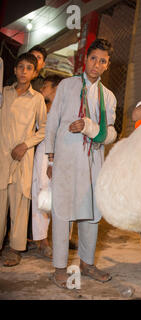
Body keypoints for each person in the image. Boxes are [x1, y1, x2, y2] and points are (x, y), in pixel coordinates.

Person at [44, 39, 117, 288]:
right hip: (65, 159)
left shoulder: (108, 97)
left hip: (93, 161)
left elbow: (110, 133)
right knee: (63, 212)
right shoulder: (67, 85)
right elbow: (52, 121)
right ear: (85, 59)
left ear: (108, 65)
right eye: (93, 58)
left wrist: (89, 126)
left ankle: (87, 263)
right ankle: (60, 267)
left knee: (91, 214)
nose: (97, 64)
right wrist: (50, 157)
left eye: (103, 61)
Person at [0, 53, 47, 266]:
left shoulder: (37, 99)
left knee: (19, 204)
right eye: (20, 67)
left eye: (29, 68)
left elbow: (44, 128)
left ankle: (14, 248)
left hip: (22, 158)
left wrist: (26, 145)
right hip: (1, 157)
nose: (24, 71)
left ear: (35, 73)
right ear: (14, 70)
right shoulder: (4, 94)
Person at [31, 74, 65, 259]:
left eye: (46, 86)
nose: (42, 89)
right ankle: (41, 240)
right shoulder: (41, 105)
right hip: (43, 150)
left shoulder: (66, 107)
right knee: (41, 190)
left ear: (56, 88)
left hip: (62, 151)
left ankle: (63, 238)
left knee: (63, 193)